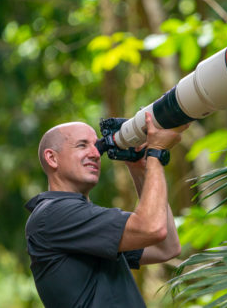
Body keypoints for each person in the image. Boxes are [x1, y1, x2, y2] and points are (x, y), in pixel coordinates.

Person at [24, 112, 188, 307]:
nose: (95, 154)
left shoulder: (80, 221)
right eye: (82, 145)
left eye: (96, 146)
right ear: (52, 158)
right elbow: (152, 228)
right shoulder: (53, 215)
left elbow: (166, 247)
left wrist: (139, 167)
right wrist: (156, 152)